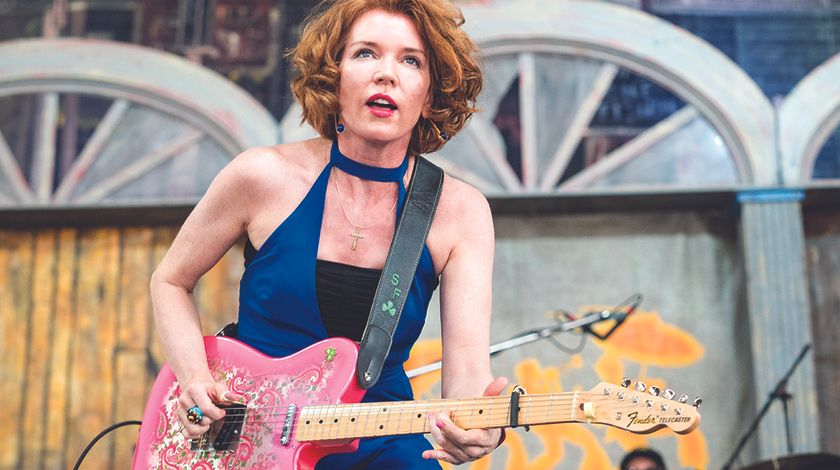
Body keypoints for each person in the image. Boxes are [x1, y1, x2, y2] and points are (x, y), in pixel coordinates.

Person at [149, 0, 506, 467]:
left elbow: (466, 376)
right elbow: (170, 280)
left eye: (411, 60)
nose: (387, 74)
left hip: (382, 441)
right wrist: (194, 377)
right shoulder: (261, 176)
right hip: (248, 438)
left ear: (431, 92)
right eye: (365, 54)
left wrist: (484, 426)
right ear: (332, 75)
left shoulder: (460, 212)